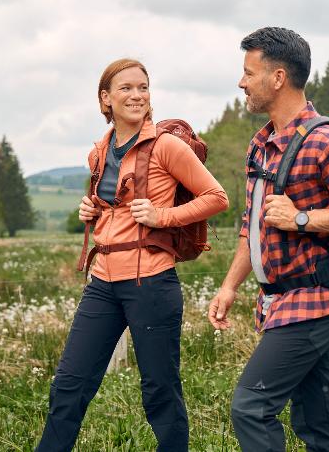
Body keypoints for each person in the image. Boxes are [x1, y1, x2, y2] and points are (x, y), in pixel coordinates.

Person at [207, 27, 329, 452]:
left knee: (251, 407)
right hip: (280, 302)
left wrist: (302, 218)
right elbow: (253, 222)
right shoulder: (263, 145)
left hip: (314, 302)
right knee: (316, 421)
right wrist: (230, 285)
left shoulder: (326, 140)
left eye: (248, 73)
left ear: (277, 78)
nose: (241, 82)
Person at [37, 58, 229, 452]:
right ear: (106, 98)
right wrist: (91, 208)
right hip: (103, 282)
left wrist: (164, 215)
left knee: (160, 391)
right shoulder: (99, 152)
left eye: (143, 87)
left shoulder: (167, 146)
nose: (137, 95)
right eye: (126, 88)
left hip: (152, 283)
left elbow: (217, 197)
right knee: (69, 385)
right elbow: (112, 203)